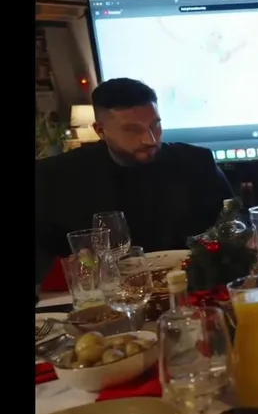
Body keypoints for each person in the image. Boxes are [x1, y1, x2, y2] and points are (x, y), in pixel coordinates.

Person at [34, 78, 234, 284]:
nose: (150, 139)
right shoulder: (56, 176)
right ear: (100, 131)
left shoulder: (196, 162)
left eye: (155, 125)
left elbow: (234, 220)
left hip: (194, 282)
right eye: (132, 130)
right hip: (105, 289)